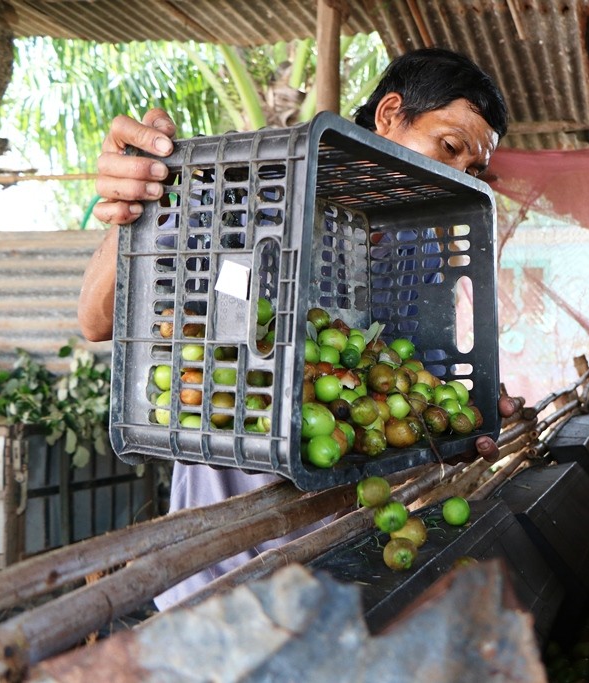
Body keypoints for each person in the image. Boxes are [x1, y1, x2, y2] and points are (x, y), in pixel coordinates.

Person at [78, 47, 510, 610]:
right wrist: (142, 194)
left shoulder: (419, 243)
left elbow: (407, 375)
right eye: (448, 148)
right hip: (225, 566)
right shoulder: (247, 189)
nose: (454, 176)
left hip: (346, 560)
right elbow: (95, 320)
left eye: (473, 170)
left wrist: (457, 417)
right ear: (389, 114)